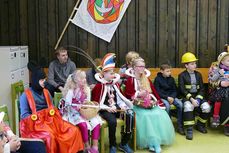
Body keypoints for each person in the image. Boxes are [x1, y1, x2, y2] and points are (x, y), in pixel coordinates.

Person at [19, 67, 84, 153]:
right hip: (35, 127)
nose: (44, 82)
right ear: (35, 80)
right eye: (41, 80)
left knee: (74, 130)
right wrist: (38, 116)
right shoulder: (25, 95)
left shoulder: (46, 92)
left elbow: (52, 107)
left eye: (44, 79)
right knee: (50, 137)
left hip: (51, 122)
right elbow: (24, 116)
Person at [124, 57, 175, 153]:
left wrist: (154, 100)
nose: (142, 68)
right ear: (134, 67)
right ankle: (152, 143)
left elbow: (154, 92)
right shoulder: (130, 80)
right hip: (136, 105)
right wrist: (138, 94)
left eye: (143, 66)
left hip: (147, 104)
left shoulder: (146, 79)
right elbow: (128, 95)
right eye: (140, 66)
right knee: (146, 116)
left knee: (159, 114)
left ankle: (153, 143)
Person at [92, 53, 134, 153]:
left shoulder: (115, 85)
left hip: (116, 107)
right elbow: (96, 103)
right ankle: (113, 145)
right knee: (112, 121)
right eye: (110, 73)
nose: (113, 74)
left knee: (129, 115)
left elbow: (120, 99)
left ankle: (124, 143)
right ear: (103, 74)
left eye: (113, 72)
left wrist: (123, 106)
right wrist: (107, 108)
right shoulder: (99, 86)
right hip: (104, 110)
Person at [61, 70, 102, 153]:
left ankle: (95, 147)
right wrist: (77, 108)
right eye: (82, 78)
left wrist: (85, 105)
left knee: (96, 123)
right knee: (83, 125)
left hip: (85, 112)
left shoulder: (86, 89)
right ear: (76, 80)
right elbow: (68, 105)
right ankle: (86, 146)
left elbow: (87, 102)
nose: (84, 80)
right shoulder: (71, 91)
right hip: (73, 113)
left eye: (85, 78)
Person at [178, 52, 211, 140]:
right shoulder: (181, 75)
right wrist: (191, 99)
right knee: (188, 106)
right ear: (186, 65)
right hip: (187, 97)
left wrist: (198, 99)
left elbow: (202, 89)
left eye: (195, 63)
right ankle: (189, 130)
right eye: (192, 64)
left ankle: (200, 125)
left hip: (197, 97)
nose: (194, 65)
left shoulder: (198, 74)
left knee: (207, 107)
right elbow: (182, 90)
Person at [154, 63, 184, 135]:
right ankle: (168, 126)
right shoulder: (157, 79)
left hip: (171, 97)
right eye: (167, 71)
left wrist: (172, 98)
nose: (169, 72)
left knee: (180, 104)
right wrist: (167, 98)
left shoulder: (171, 79)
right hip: (162, 97)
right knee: (167, 106)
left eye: (170, 71)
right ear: (162, 71)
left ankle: (180, 125)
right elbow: (157, 92)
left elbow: (174, 90)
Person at [208, 45, 229, 135]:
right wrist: (220, 83)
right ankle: (226, 125)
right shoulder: (215, 66)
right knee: (225, 100)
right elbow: (210, 81)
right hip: (220, 90)